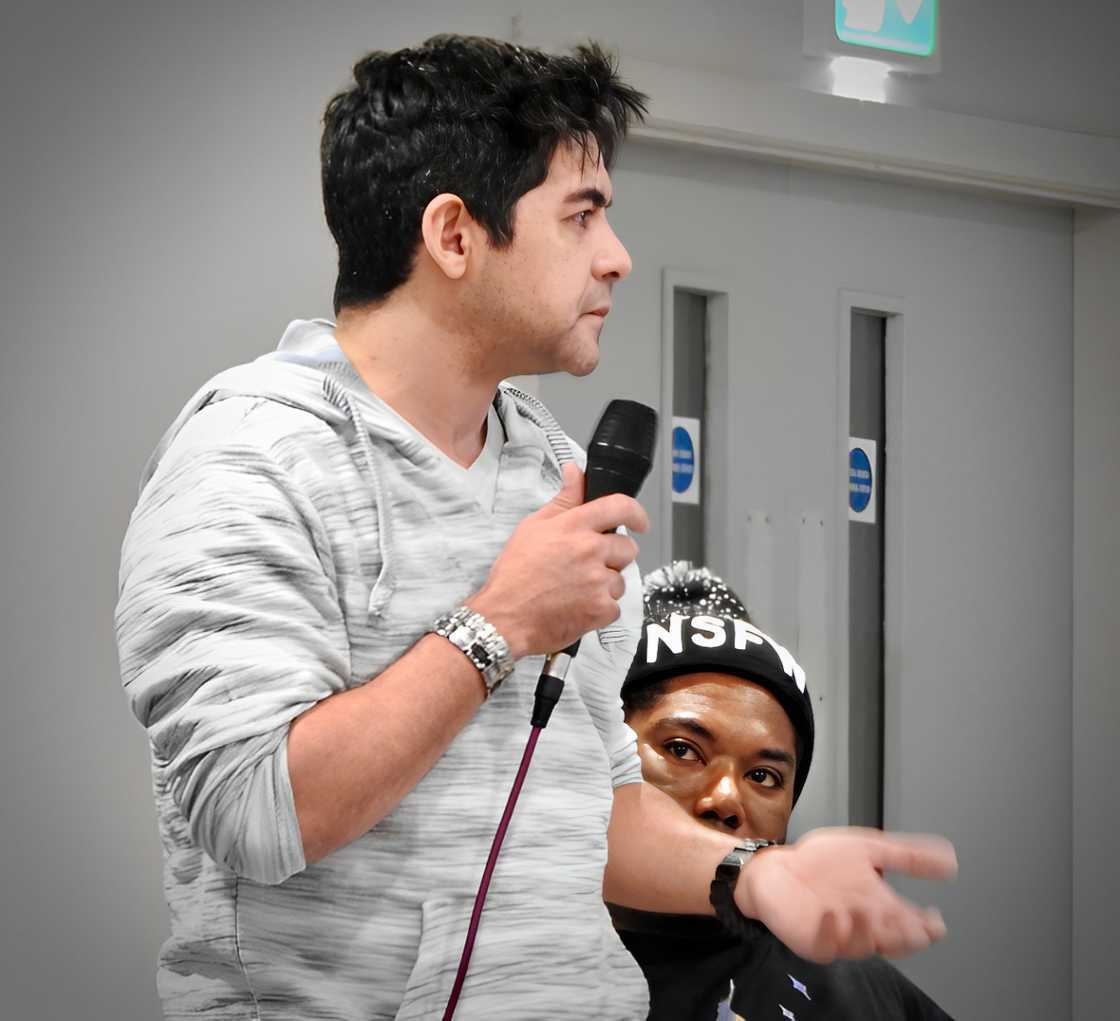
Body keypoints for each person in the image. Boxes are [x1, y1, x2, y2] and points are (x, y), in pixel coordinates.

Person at [115, 35, 956, 1020]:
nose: (617, 256)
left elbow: (589, 814)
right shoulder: (253, 455)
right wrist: (496, 623)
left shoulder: (551, 473)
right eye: (582, 214)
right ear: (456, 236)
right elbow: (254, 810)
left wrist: (751, 876)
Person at [611, 561, 954, 1020]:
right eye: (683, 750)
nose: (726, 798)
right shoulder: (497, 940)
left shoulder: (855, 990)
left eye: (763, 776)